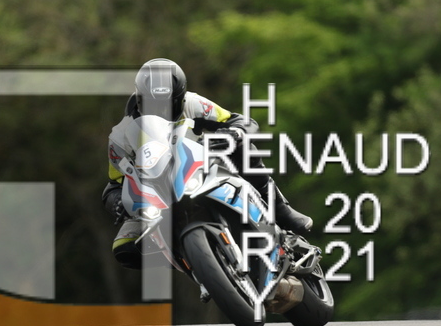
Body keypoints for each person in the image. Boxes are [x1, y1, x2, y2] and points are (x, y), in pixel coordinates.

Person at [102, 58, 312, 269]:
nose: (162, 111)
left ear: (180, 97)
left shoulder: (193, 103)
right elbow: (114, 185)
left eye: (169, 104)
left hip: (199, 167)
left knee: (243, 146)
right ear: (139, 100)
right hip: (156, 196)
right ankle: (195, 264)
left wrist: (234, 132)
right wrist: (117, 202)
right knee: (125, 248)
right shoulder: (120, 137)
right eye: (153, 105)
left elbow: (240, 121)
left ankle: (279, 209)